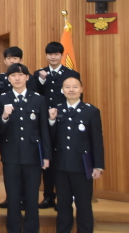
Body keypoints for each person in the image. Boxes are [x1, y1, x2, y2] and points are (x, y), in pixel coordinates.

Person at [0, 63, 51, 233]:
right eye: (13, 75)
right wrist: (4, 116)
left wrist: (46, 156)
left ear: (27, 77)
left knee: (32, 198)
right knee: (12, 198)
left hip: (33, 156)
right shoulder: (2, 100)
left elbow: (44, 130)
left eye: (21, 75)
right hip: (11, 156)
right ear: (8, 78)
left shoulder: (38, 99)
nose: (17, 78)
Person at [48, 77, 104, 233]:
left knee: (84, 205)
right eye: (67, 87)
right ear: (62, 90)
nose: (71, 90)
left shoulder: (91, 111)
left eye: (75, 87)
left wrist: (98, 165)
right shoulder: (57, 110)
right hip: (61, 166)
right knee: (63, 206)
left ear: (81, 89)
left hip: (82, 167)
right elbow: (51, 139)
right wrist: (51, 121)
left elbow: (97, 140)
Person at [34, 41, 80, 209]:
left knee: (62, 159)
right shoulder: (39, 74)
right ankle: (48, 196)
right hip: (45, 123)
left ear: (61, 55)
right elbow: (35, 96)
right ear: (46, 55)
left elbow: (76, 98)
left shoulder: (71, 74)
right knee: (47, 158)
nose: (53, 57)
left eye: (56, 54)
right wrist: (41, 80)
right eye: (50, 54)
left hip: (64, 123)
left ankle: (63, 197)